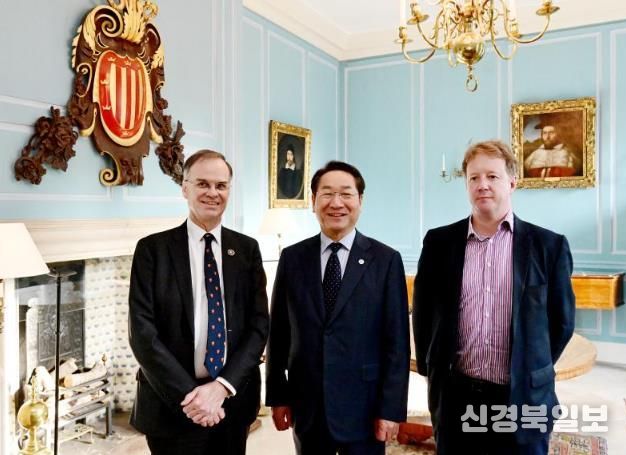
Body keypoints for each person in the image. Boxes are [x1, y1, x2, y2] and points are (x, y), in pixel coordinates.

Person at [412, 140, 575, 455]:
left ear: (512, 182)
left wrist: (531, 363)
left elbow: (562, 322)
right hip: (456, 396)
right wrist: (432, 369)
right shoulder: (439, 243)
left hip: (522, 395)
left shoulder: (549, 246)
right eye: (474, 177)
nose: (482, 184)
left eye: (492, 176)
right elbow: (423, 312)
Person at [128, 149, 269, 455]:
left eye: (221, 185)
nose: (212, 193)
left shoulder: (247, 250)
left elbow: (259, 326)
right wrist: (194, 398)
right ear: (185, 188)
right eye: (203, 184)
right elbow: (142, 333)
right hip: (171, 405)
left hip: (231, 402)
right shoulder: (152, 250)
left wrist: (221, 388)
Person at [266, 161, 410, 455]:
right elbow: (278, 333)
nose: (336, 203)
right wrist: (278, 395)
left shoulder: (385, 260)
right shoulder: (292, 258)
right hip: (308, 404)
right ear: (313, 201)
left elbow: (397, 344)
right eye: (327, 194)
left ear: (360, 201)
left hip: (365, 406)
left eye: (346, 194)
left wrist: (391, 408)